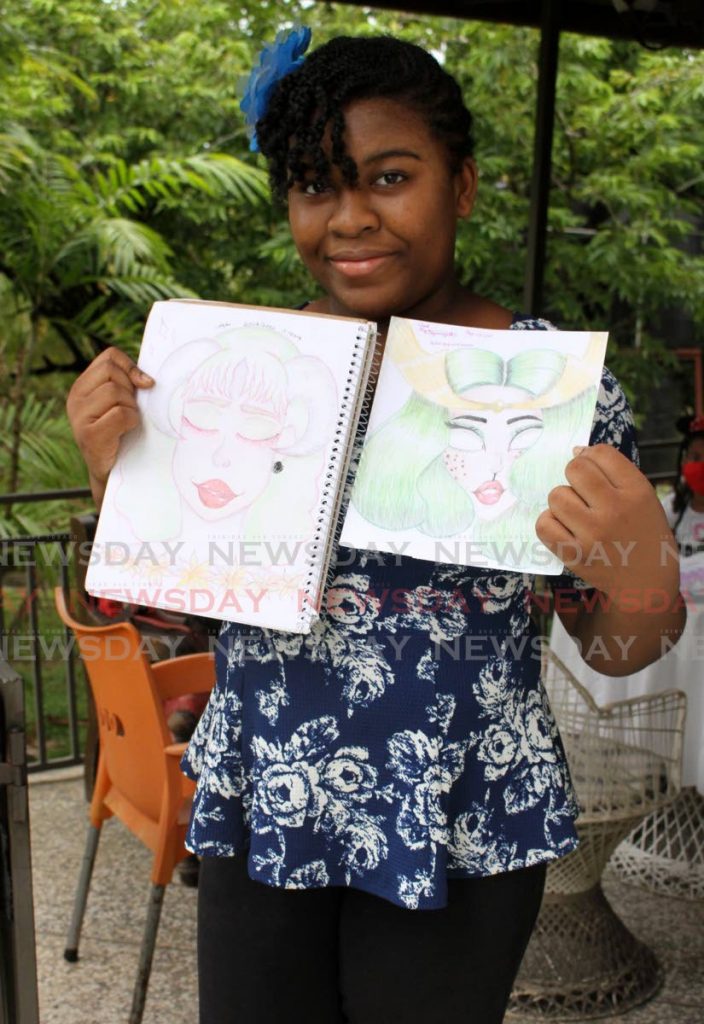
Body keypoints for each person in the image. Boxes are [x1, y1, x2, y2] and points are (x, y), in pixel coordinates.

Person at [66, 31, 685, 1024]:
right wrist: (124, 480)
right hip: (265, 791)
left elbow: (618, 647)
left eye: (389, 178)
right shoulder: (250, 372)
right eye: (315, 187)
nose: (350, 218)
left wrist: (642, 560)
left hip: (457, 815)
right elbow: (172, 607)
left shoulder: (549, 393)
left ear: (463, 187)